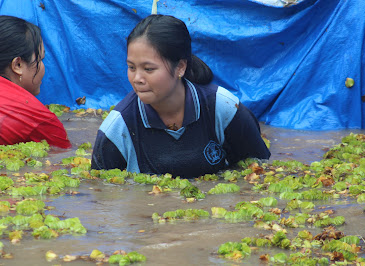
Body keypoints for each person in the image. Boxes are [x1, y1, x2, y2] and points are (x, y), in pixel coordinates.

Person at [91, 14, 270, 178]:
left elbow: (261, 171)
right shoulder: (117, 129)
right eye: (131, 67)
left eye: (148, 69)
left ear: (180, 67)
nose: (137, 78)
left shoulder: (223, 107)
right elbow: (102, 195)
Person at [0, 15, 71, 149]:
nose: (43, 67)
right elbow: (64, 153)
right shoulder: (37, 118)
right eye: (40, 59)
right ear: (18, 65)